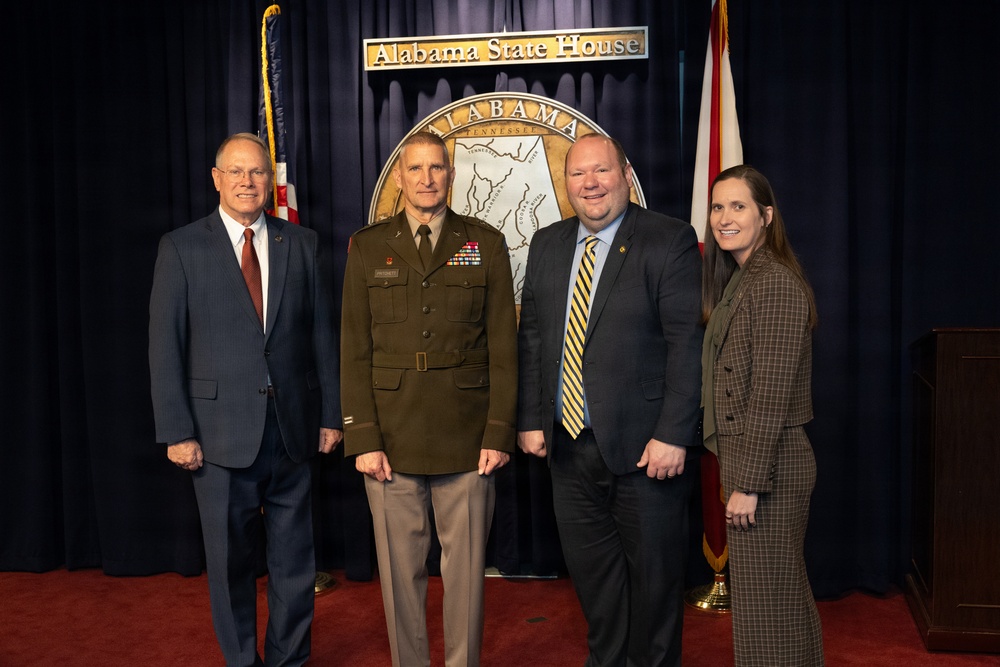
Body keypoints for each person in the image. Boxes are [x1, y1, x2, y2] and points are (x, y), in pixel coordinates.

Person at [148, 132, 343, 667]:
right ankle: (242, 661)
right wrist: (177, 431)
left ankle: (289, 659)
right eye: (235, 172)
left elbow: (321, 336)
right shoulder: (182, 247)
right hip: (216, 437)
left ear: (269, 181)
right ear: (216, 179)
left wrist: (331, 414)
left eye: (257, 172)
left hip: (293, 430)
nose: (247, 182)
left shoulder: (300, 244)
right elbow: (165, 346)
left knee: (295, 565)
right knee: (231, 565)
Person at [517, 133, 703, 666]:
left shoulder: (667, 239)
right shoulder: (547, 244)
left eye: (601, 171)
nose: (590, 184)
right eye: (578, 174)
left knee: (655, 590)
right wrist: (532, 418)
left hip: (647, 451)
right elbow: (532, 336)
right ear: (566, 183)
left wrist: (672, 433)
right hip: (569, 451)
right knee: (597, 591)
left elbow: (686, 344)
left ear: (624, 174)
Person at [340, 131, 518, 667]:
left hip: (467, 439)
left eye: (436, 167)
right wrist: (363, 438)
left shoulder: (484, 243)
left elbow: (504, 348)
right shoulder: (368, 246)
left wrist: (498, 431)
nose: (426, 178)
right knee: (399, 579)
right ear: (399, 177)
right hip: (389, 440)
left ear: (452, 173)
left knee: (465, 580)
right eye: (415, 169)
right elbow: (354, 347)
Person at [700, 164, 823, 666]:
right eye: (717, 206)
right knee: (774, 603)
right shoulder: (742, 278)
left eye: (738, 206)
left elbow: (770, 395)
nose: (724, 217)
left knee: (769, 610)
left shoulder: (771, 283)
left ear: (766, 215)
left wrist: (746, 484)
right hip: (757, 462)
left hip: (769, 468)